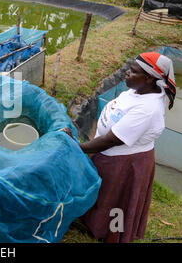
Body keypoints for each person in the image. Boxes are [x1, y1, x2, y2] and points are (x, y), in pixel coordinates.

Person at [64, 52, 176, 243]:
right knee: (104, 193)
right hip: (110, 155)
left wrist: (77, 147)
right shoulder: (138, 90)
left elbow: (112, 140)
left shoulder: (147, 109)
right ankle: (93, 223)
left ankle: (112, 234)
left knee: (117, 200)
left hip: (125, 162)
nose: (126, 73)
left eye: (132, 72)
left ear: (149, 78)